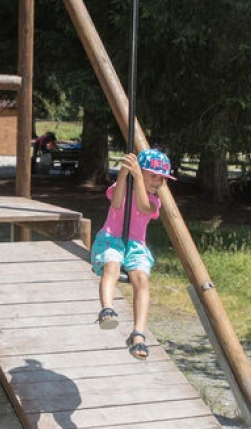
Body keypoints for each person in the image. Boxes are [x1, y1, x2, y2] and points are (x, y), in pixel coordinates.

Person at [91, 148, 176, 360]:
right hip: (111, 238)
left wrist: (139, 176)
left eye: (162, 178)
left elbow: (142, 205)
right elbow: (117, 203)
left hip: (136, 245)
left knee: (142, 279)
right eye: (153, 175)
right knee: (111, 265)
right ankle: (107, 310)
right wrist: (123, 173)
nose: (158, 181)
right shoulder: (122, 188)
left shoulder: (155, 201)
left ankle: (138, 333)